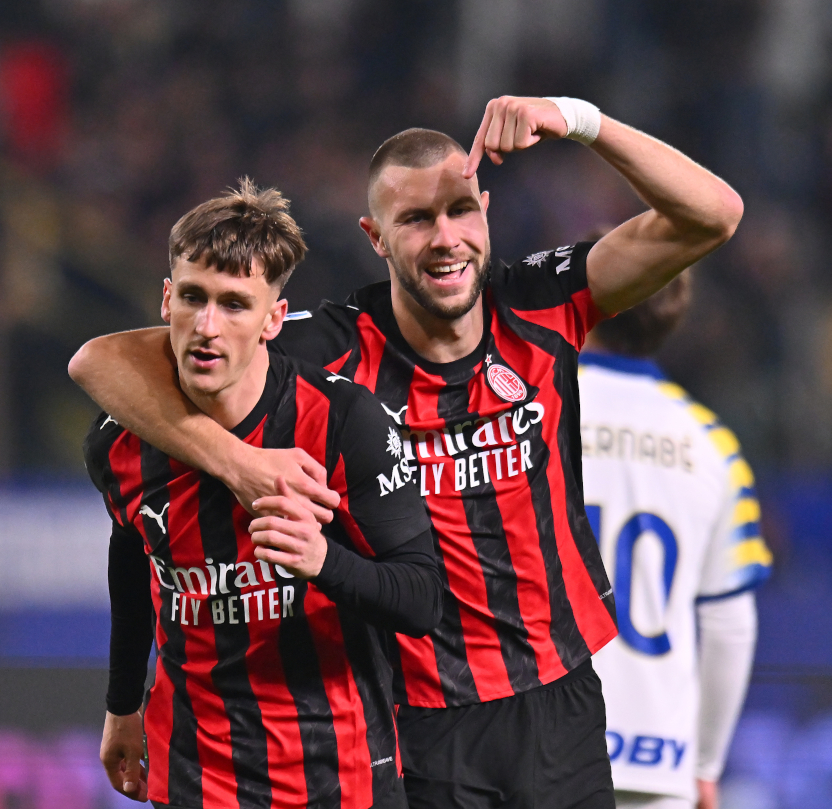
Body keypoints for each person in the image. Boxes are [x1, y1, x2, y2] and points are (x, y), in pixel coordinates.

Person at [71, 96, 745, 809]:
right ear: (377, 237)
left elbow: (714, 215)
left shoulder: (543, 303)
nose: (445, 238)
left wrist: (579, 119)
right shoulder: (329, 345)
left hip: (558, 699)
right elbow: (104, 363)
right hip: (412, 720)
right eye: (416, 220)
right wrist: (235, 461)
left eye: (460, 210)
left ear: (487, 210)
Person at [83, 179, 443, 809]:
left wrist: (323, 561)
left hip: (337, 772)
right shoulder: (120, 442)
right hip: (193, 770)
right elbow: (133, 559)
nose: (207, 326)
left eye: (234, 304)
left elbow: (422, 598)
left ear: (275, 319)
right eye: (192, 297)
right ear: (165, 300)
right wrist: (120, 705)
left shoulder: (343, 422)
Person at [578, 273, 772, 809]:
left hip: (534, 750)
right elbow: (731, 623)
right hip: (658, 760)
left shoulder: (521, 410)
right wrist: (705, 764)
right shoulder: (712, 444)